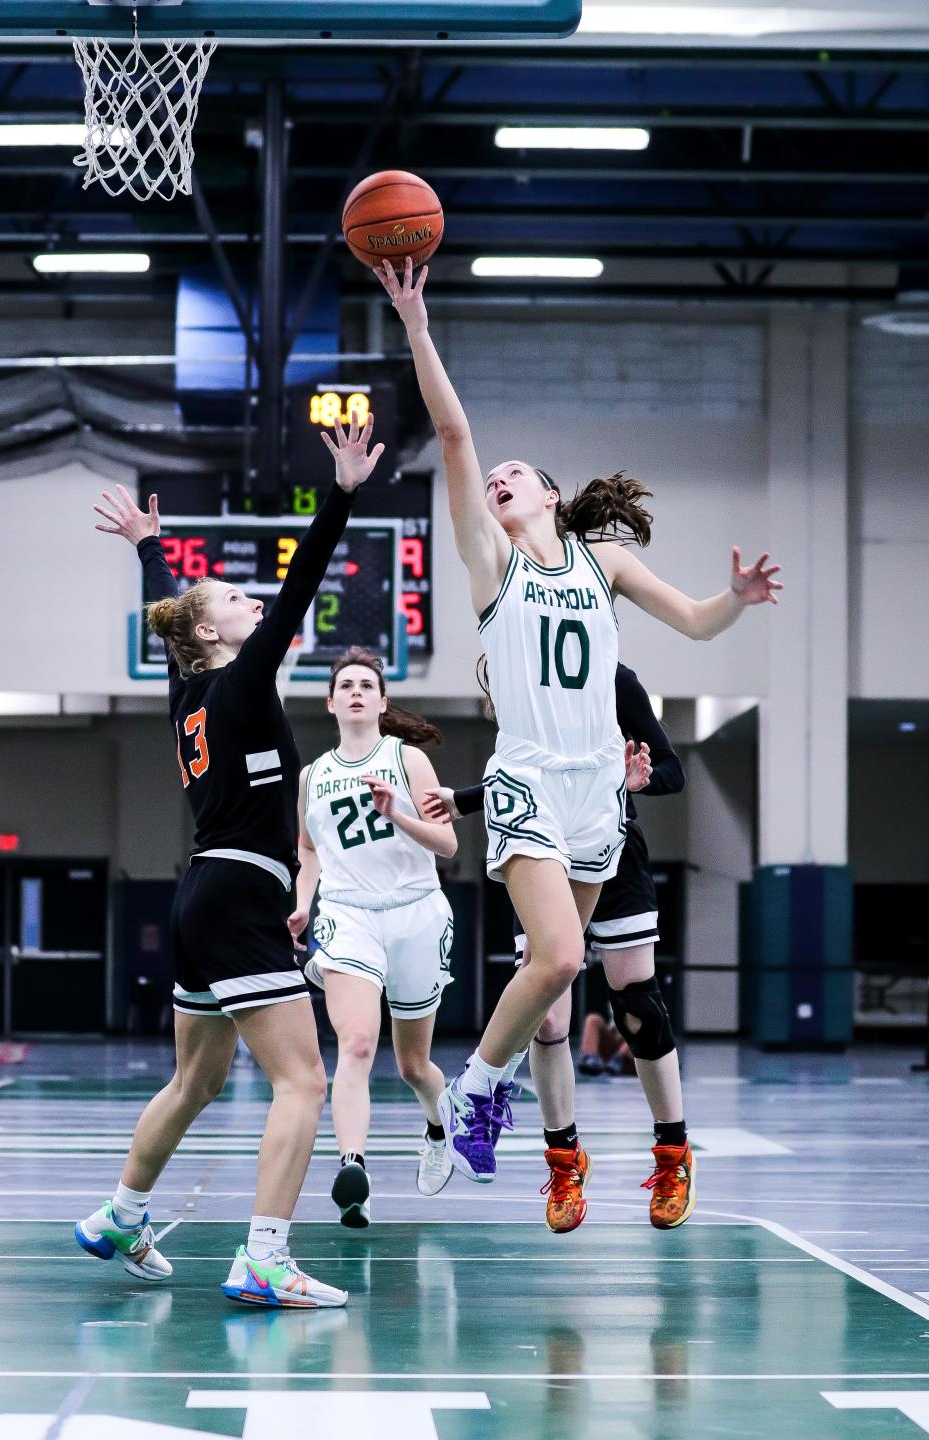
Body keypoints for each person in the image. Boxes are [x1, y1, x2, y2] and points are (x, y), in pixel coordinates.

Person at [375, 256, 782, 1194]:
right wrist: (417, 325)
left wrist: (738, 598)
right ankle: (478, 1091)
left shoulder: (602, 564)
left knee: (564, 978)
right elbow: (452, 429)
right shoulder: (492, 566)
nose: (498, 479)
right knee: (557, 956)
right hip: (527, 779)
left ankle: (496, 1098)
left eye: (518, 473)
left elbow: (693, 620)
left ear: (553, 496)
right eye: (493, 478)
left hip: (599, 786)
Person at [75, 413, 383, 1308]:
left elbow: (171, 617)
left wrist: (150, 548)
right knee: (305, 1079)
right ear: (213, 634)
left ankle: (120, 1216)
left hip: (197, 896)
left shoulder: (187, 690)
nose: (256, 604)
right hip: (239, 891)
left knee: (198, 1077)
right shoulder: (241, 680)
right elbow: (299, 590)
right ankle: (264, 1257)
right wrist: (341, 496)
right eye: (235, 603)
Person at [425, 660, 692, 1232]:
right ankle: (564, 1160)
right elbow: (529, 773)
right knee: (547, 1019)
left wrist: (637, 779)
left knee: (638, 1006)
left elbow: (671, 769)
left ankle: (673, 1155)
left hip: (611, 844)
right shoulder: (522, 671)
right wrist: (463, 800)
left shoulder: (612, 677)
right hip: (539, 846)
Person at [291, 647, 458, 1226]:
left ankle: (439, 1128)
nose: (358, 691)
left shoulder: (407, 760)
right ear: (331, 701)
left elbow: (448, 846)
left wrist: (398, 815)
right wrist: (300, 904)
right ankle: (352, 1168)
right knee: (357, 1043)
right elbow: (308, 851)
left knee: (414, 1065)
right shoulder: (313, 775)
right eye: (347, 684)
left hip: (415, 912)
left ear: (383, 702)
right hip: (347, 917)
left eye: (368, 684)